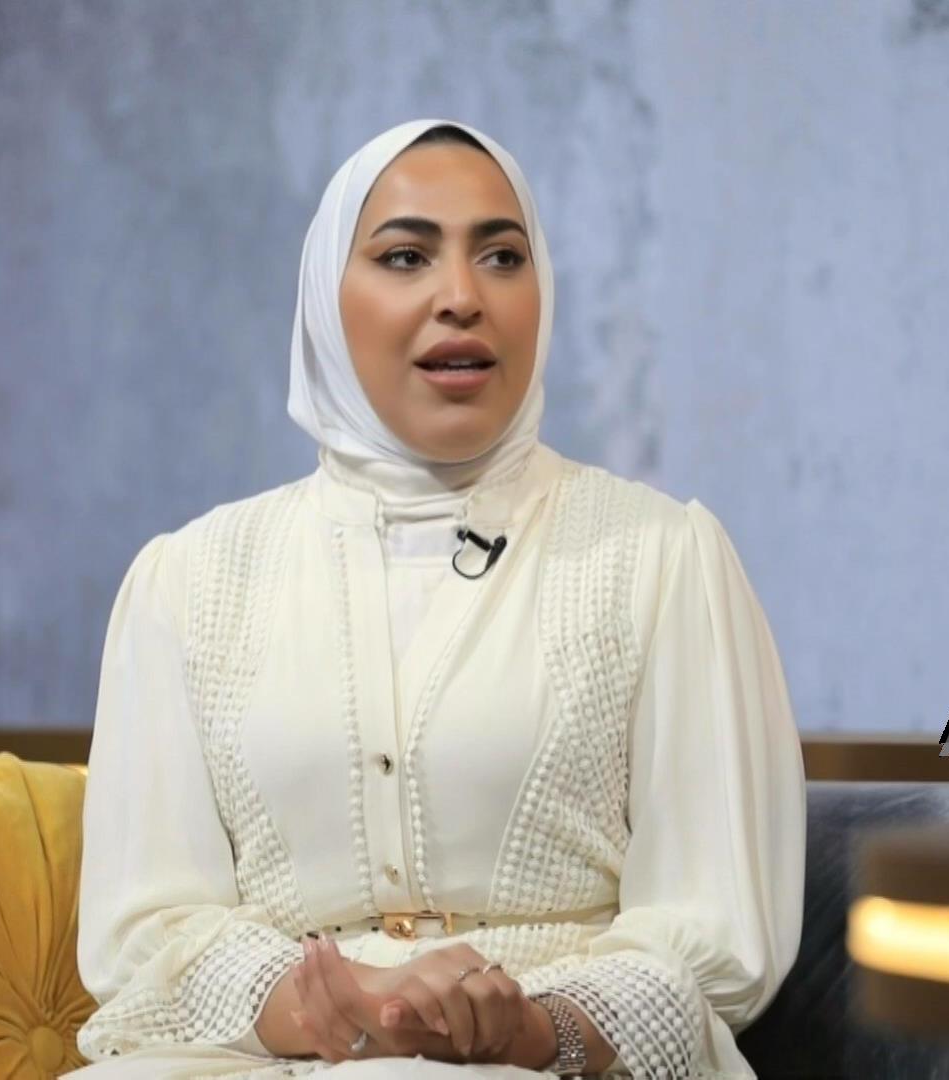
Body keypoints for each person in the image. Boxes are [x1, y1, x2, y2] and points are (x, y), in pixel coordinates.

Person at [69, 118, 805, 1079]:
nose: (462, 296)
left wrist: (530, 1027)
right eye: (406, 257)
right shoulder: (189, 579)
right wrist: (343, 1006)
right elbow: (146, 930)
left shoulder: (661, 558)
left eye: (502, 256)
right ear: (325, 299)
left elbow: (715, 936)